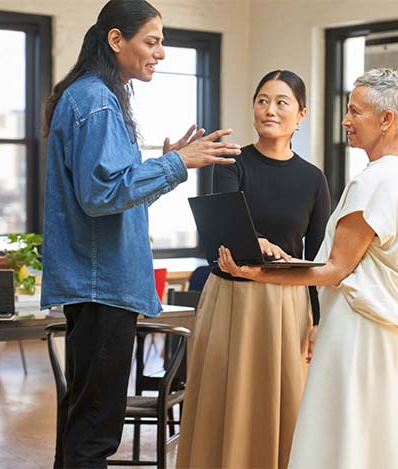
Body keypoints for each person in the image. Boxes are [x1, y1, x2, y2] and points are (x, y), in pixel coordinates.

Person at [39, 1, 241, 468]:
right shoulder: (97, 100)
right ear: (116, 39)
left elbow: (110, 199)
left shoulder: (92, 96)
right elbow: (101, 194)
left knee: (83, 423)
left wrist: (165, 168)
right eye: (152, 41)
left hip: (98, 285)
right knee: (94, 430)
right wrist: (176, 163)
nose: (161, 53)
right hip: (103, 286)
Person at [218, 68, 398, 469]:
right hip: (378, 325)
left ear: (386, 119)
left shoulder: (376, 182)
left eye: (355, 111)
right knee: (367, 428)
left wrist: (260, 273)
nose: (346, 120)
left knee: (339, 428)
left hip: (357, 326)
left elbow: (334, 269)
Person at [177, 70, 330, 469]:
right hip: (231, 299)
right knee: (224, 399)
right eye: (262, 100)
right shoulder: (232, 163)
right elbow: (226, 223)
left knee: (284, 400)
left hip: (287, 306)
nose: (270, 110)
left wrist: (318, 320)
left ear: (301, 114)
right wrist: (258, 241)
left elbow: (317, 256)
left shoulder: (313, 179)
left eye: (281, 102)